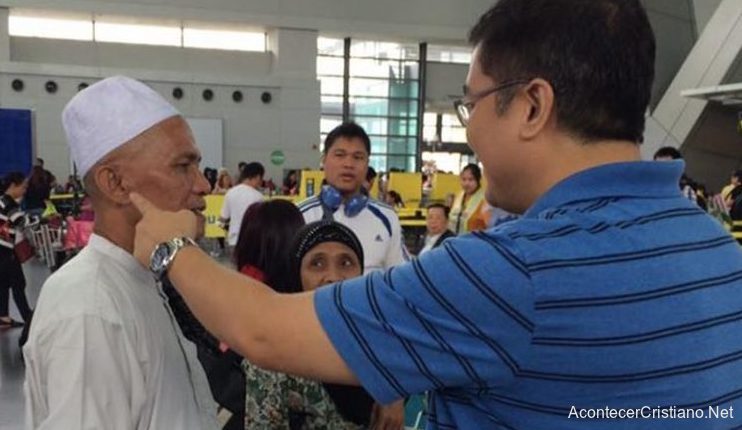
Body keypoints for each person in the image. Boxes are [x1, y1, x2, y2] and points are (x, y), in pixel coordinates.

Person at [130, 1, 742, 428]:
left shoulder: (511, 273)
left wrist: (169, 247)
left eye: (470, 101)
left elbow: (264, 330)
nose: (467, 125)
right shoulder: (716, 249)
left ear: (532, 106)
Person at [23, 76, 218, 429]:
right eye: (182, 166)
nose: (203, 185)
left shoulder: (143, 278)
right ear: (114, 183)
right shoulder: (88, 308)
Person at [243, 220, 403, 430]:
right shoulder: (275, 355)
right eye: (317, 263)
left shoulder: (378, 343)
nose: (334, 278)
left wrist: (394, 390)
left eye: (346, 263)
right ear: (296, 274)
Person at [297, 122, 409, 273]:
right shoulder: (300, 216)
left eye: (358, 157)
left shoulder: (387, 217)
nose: (348, 164)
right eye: (340, 155)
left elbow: (399, 277)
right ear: (323, 160)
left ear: (367, 164)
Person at [0, 172, 34, 329]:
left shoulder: (3, 200)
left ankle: (3, 317)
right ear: (13, 186)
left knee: (4, 283)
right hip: (5, 249)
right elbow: (21, 221)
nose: (25, 190)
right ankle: (28, 317)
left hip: (3, 248)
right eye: (23, 187)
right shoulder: (8, 203)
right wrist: (40, 219)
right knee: (18, 282)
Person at [220, 162, 264, 248]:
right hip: (252, 241)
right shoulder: (258, 196)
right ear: (258, 177)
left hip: (233, 241)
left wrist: (231, 229)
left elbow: (221, 220)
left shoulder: (230, 193)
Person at [448, 163, 486, 234]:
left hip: (473, 241)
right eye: (464, 179)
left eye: (471, 180)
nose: (466, 183)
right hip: (454, 239)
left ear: (478, 180)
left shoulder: (485, 199)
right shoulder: (459, 196)